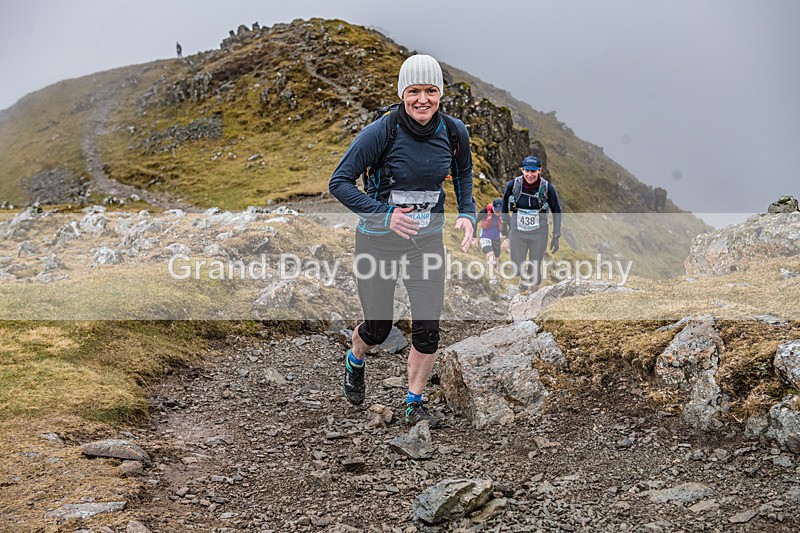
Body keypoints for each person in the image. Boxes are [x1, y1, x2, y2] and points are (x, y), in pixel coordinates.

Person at [329, 54, 476, 428]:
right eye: (414, 91)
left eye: (430, 91)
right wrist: (386, 215)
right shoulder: (382, 132)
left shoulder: (455, 132)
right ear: (402, 93)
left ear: (440, 93)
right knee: (379, 328)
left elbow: (462, 174)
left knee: (428, 329)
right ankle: (355, 360)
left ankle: (414, 401)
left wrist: (467, 213)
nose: (422, 99)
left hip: (425, 245)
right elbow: (339, 182)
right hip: (377, 242)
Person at [501, 155, 562, 295]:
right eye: (527, 171)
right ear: (522, 170)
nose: (529, 175)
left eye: (533, 171)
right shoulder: (513, 185)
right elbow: (504, 203)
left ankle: (534, 295)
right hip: (517, 231)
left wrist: (556, 235)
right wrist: (504, 223)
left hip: (539, 232)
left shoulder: (546, 188)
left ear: (539, 170)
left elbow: (556, 210)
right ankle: (523, 279)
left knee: (535, 265)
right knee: (516, 264)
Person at [475, 198, 506, 267]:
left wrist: (507, 239)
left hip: (496, 238)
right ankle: (490, 274)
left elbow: (511, 227)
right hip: (485, 237)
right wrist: (474, 237)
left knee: (496, 261)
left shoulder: (504, 214)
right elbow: (475, 221)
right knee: (491, 257)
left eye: (500, 210)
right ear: (493, 207)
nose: (498, 212)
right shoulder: (485, 211)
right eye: (496, 210)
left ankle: (496, 275)